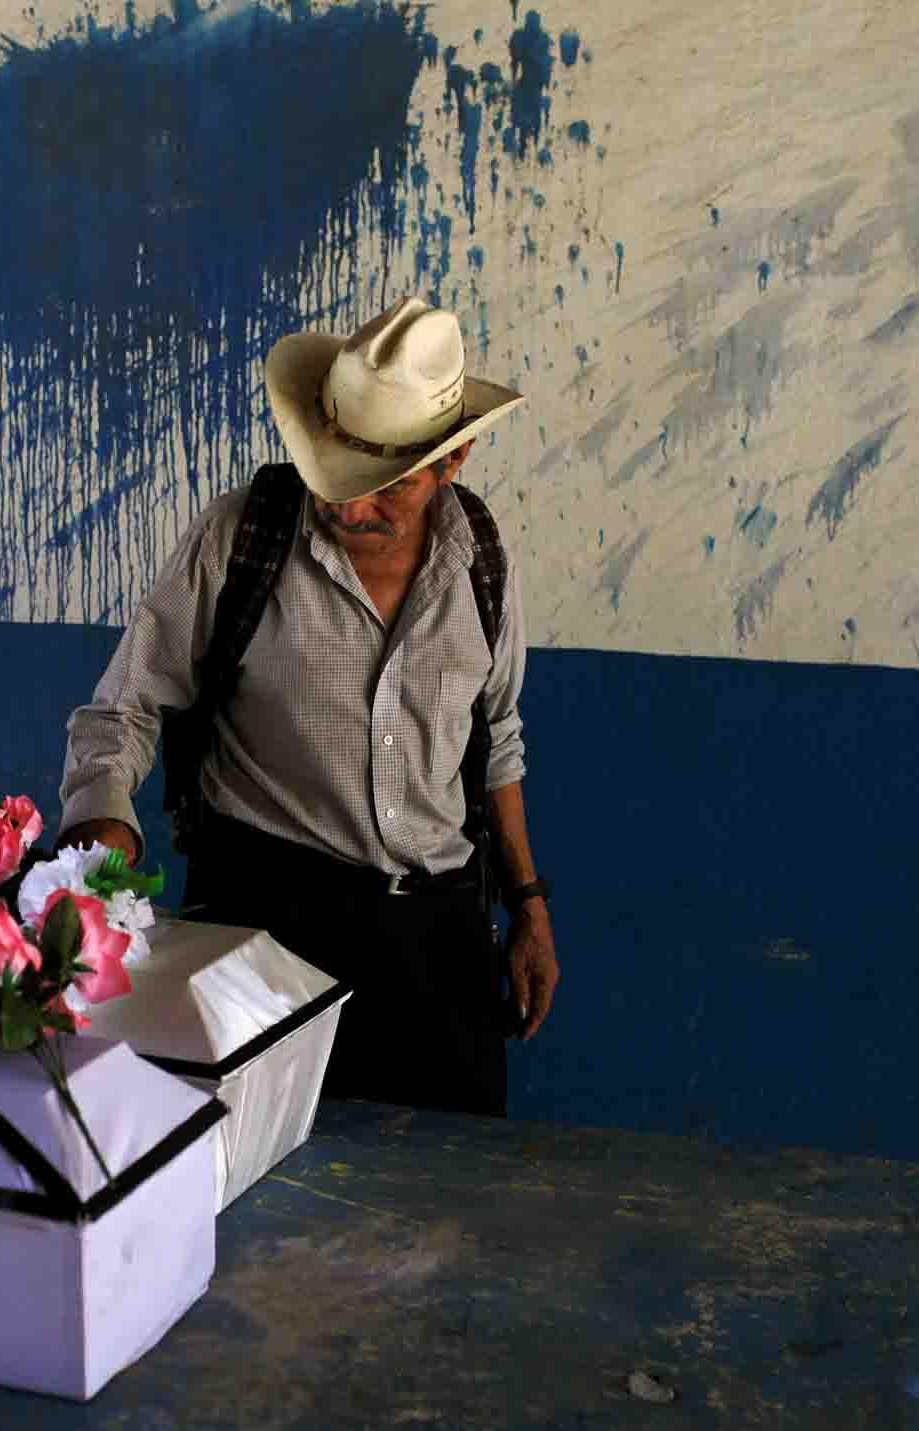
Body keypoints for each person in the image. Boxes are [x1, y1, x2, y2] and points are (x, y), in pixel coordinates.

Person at [57, 296, 558, 1117]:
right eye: (336, 475)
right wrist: (100, 839)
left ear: (453, 459)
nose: (350, 508)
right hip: (263, 935)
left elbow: (497, 737)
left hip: (439, 945)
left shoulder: (483, 559)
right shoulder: (239, 538)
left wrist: (529, 907)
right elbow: (125, 709)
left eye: (384, 488)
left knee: (447, 1198)